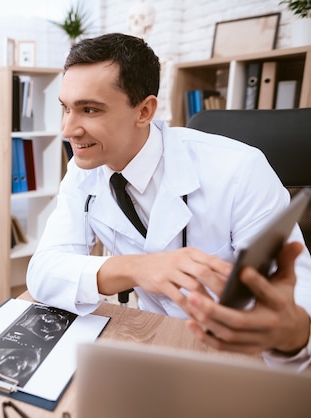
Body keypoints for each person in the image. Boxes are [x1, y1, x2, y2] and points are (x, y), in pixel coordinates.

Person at [26, 33, 311, 370]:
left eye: (89, 109)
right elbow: (43, 272)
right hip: (157, 342)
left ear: (144, 110)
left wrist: (292, 336)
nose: (68, 129)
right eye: (66, 108)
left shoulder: (239, 169)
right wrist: (137, 268)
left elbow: (295, 304)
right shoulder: (83, 172)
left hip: (244, 358)